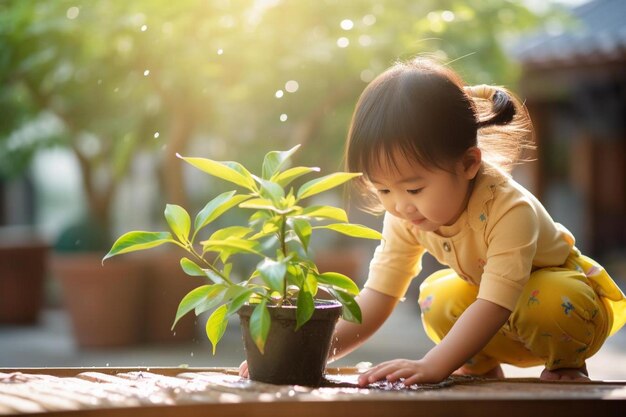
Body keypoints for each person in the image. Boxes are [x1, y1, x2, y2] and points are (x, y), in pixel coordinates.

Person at [325, 57, 626, 386]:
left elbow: (496, 303)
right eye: (382, 188)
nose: (399, 204)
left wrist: (433, 364)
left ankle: (567, 366)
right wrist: (316, 352)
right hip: (494, 322)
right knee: (438, 298)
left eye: (413, 187)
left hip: (564, 315)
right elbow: (379, 295)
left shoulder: (509, 209)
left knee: (551, 299)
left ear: (468, 163)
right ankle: (478, 365)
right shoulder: (405, 214)